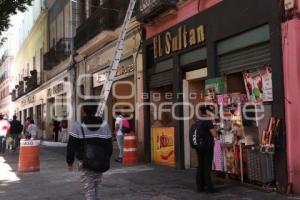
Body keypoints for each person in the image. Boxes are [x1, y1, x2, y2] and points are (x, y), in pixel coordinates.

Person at [66, 99, 113, 200]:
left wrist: (69, 162)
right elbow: (109, 146)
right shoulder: (105, 125)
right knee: (96, 187)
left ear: (83, 110)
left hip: (85, 162)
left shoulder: (77, 125)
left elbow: (71, 146)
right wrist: (105, 158)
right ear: (96, 110)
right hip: (100, 161)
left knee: (89, 190)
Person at [191, 105, 217, 193]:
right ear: (207, 112)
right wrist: (215, 127)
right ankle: (209, 188)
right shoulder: (207, 122)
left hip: (199, 147)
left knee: (201, 165)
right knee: (207, 166)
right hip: (207, 147)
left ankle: (200, 187)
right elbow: (214, 134)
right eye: (210, 112)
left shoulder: (198, 121)